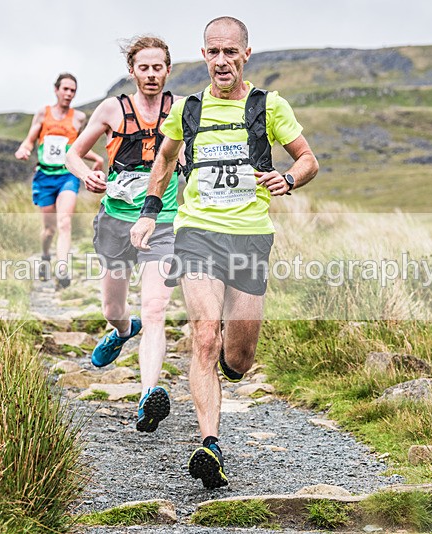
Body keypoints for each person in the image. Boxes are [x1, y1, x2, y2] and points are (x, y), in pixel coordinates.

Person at [130, 17, 319, 488]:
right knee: (205, 337)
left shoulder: (268, 107)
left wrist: (289, 178)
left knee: (238, 357)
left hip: (250, 236)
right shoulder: (188, 111)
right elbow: (166, 157)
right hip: (197, 233)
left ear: (246, 54)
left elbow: (308, 158)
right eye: (213, 52)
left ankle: (227, 371)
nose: (221, 61)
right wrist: (151, 210)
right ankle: (209, 445)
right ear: (204, 55)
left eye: (230, 52)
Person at [66, 36, 182, 433]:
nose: (151, 74)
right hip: (116, 221)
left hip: (163, 222)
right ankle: (121, 330)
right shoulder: (112, 109)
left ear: (168, 70)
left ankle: (148, 396)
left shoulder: (181, 111)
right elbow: (72, 154)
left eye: (158, 67)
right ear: (132, 71)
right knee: (114, 310)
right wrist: (88, 176)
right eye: (144, 68)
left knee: (154, 310)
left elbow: (195, 159)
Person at [15, 73, 104, 288]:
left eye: (73, 90)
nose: (69, 94)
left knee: (64, 222)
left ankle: (62, 269)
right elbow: (29, 141)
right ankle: (46, 256)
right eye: (65, 89)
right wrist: (23, 150)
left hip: (67, 176)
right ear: (56, 90)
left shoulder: (78, 118)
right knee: (49, 230)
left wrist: (97, 158)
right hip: (45, 177)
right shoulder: (43, 114)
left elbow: (78, 147)